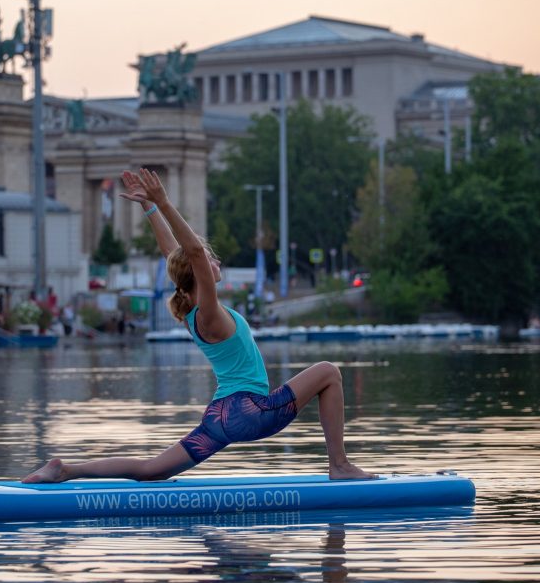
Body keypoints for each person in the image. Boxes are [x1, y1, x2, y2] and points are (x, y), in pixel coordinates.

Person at [22, 168, 374, 484]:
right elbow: (189, 252)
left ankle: (66, 470)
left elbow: (173, 255)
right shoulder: (210, 313)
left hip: (220, 416)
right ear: (201, 270)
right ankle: (339, 464)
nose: (214, 260)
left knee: (151, 471)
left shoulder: (192, 311)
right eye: (209, 258)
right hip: (251, 411)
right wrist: (164, 201)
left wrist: (151, 210)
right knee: (328, 371)